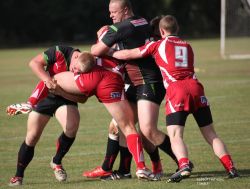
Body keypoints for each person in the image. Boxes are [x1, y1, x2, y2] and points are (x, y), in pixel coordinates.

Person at [111, 15, 240, 182]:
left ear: (162, 31)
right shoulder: (187, 45)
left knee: (176, 135)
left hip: (176, 89)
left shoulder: (157, 44)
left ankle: (184, 165)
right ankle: (231, 168)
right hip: (196, 87)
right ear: (177, 29)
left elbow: (130, 54)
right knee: (211, 134)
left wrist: (111, 51)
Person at [84, 0, 179, 181]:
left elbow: (95, 51)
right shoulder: (141, 21)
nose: (111, 15)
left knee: (147, 130)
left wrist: (102, 34)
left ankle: (182, 162)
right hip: (138, 84)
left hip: (147, 83)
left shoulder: (120, 28)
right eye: (109, 12)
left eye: (114, 12)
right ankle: (123, 170)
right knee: (120, 125)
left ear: (125, 9)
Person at [7, 45, 91, 186]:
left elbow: (83, 99)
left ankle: (56, 161)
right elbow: (34, 63)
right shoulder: (59, 52)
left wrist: (61, 92)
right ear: (75, 57)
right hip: (45, 96)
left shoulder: (86, 65)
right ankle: (18, 176)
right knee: (32, 136)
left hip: (66, 98)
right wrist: (48, 80)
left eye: (79, 72)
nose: (76, 72)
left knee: (72, 127)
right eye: (75, 69)